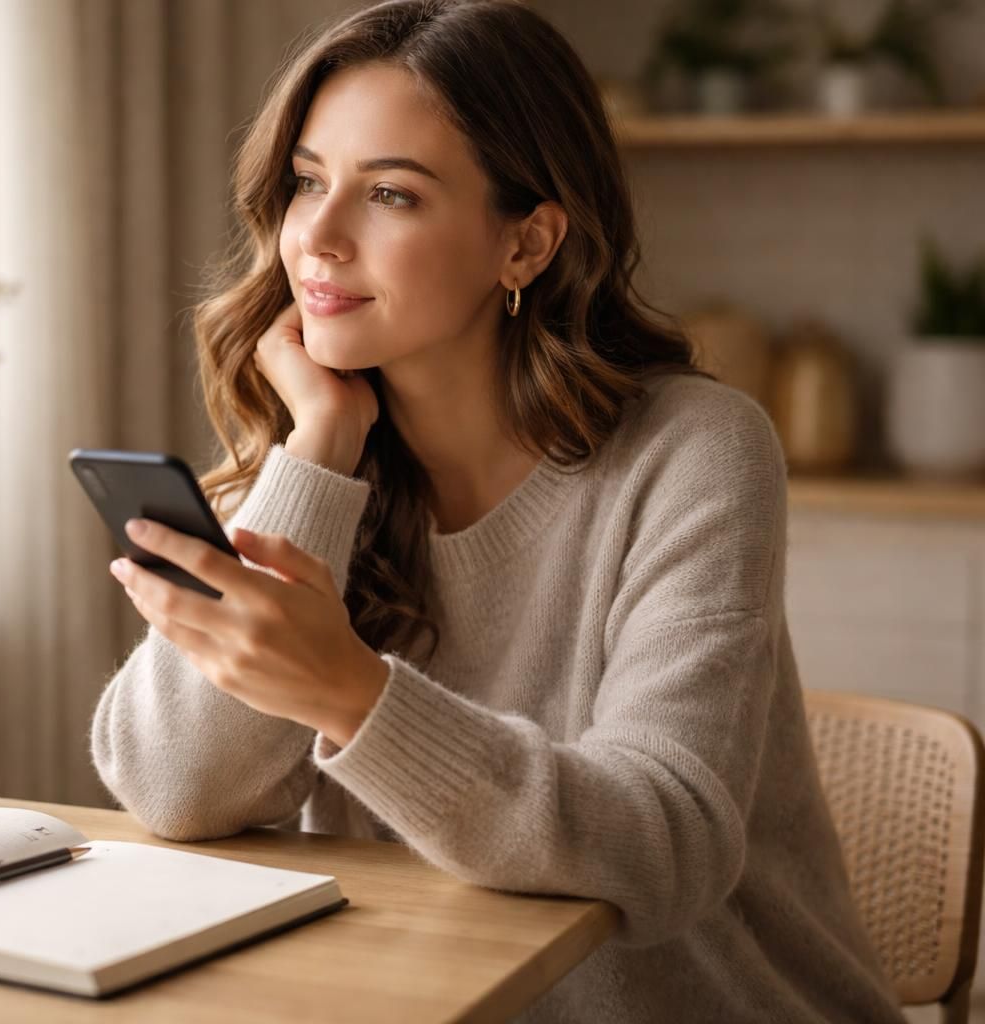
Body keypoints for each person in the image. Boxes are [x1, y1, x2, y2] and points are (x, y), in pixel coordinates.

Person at [89, 1, 903, 1019]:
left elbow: (665, 848)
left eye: (390, 193)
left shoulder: (694, 451)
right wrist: (318, 454)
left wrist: (353, 693)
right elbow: (175, 790)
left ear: (526, 244)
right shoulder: (312, 451)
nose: (319, 238)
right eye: (307, 181)